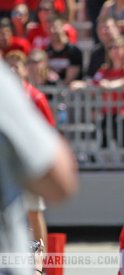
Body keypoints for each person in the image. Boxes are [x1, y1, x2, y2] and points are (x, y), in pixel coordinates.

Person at [0, 60, 78, 274]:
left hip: (26, 159)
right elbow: (60, 182)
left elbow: (49, 127)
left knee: (35, 213)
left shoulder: (34, 95)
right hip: (27, 161)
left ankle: (41, 262)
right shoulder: (6, 89)